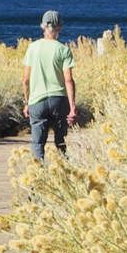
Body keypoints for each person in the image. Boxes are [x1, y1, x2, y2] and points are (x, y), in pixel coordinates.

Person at [23, 10, 76, 160]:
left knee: (38, 143)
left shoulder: (32, 48)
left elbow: (25, 80)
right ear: (59, 28)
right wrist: (72, 107)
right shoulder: (63, 50)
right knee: (60, 141)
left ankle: (38, 177)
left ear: (43, 27)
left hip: (37, 100)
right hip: (59, 100)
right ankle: (63, 176)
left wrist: (27, 102)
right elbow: (68, 81)